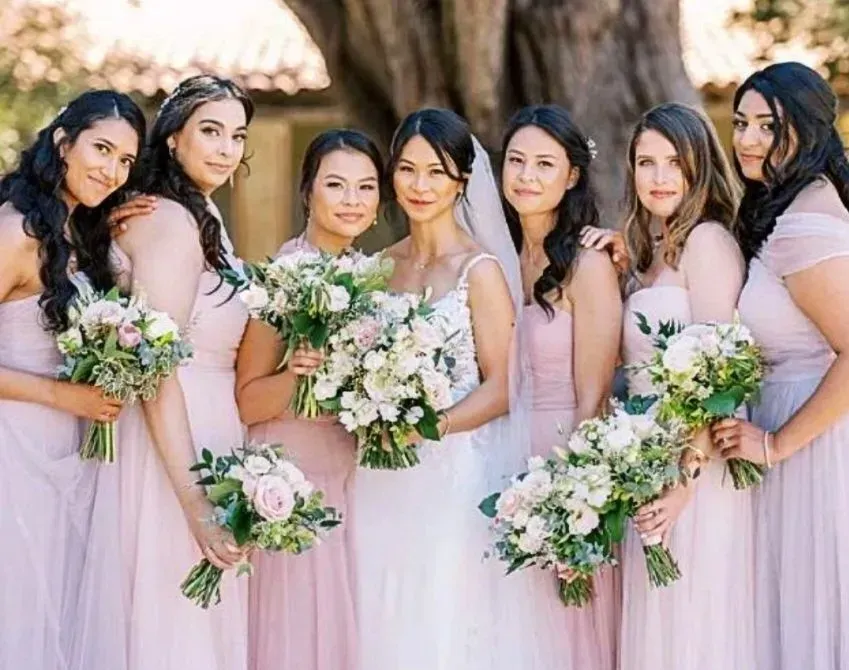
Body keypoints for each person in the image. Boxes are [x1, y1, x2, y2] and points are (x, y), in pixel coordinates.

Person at [73, 75, 254, 670]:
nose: (226, 148)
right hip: (172, 449)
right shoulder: (170, 222)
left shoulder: (202, 218)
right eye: (210, 131)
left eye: (237, 136)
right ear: (173, 138)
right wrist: (195, 502)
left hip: (211, 431)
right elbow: (157, 370)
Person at [588, 102, 755, 670]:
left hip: (697, 471)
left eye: (673, 163)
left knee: (698, 635)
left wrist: (685, 482)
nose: (659, 178)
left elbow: (722, 377)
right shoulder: (648, 253)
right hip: (648, 464)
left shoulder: (708, 242)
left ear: (698, 167)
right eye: (645, 162)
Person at [711, 62, 849, 670]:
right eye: (741, 123)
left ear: (810, 130)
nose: (746, 139)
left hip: (812, 445)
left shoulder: (805, 226)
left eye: (768, 126)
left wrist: (777, 444)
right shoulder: (791, 204)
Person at [0, 89, 143, 670]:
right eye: (101, 149)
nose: (110, 170)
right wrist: (65, 395)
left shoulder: (80, 235)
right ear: (63, 143)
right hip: (17, 455)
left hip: (74, 460)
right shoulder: (14, 232)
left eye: (126, 161)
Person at [236, 129, 384, 670]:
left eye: (366, 187)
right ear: (308, 192)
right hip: (292, 483)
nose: (352, 200)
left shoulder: (369, 278)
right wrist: (299, 379)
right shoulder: (285, 276)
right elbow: (249, 400)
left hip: (346, 481)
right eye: (337, 185)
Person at [501, 104, 621, 670]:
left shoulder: (588, 265)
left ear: (571, 175)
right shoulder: (495, 257)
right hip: (496, 459)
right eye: (517, 161)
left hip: (562, 460)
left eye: (544, 164)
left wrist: (573, 504)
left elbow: (594, 396)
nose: (526, 176)